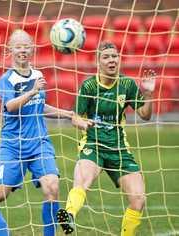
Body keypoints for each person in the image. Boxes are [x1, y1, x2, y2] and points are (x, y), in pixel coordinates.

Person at [0, 29, 93, 236]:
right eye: (18, 46)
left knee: (52, 187)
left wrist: (68, 114)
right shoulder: (6, 80)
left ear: (32, 48)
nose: (22, 50)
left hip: (39, 143)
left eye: (26, 46)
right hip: (12, 146)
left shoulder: (38, 75)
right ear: (10, 50)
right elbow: (10, 106)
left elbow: (40, 106)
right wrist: (33, 90)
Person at [56, 41, 156, 236]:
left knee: (139, 199)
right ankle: (68, 215)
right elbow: (75, 116)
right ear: (98, 62)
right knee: (82, 181)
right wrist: (82, 123)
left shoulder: (127, 84)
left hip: (119, 148)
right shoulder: (89, 85)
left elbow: (145, 114)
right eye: (107, 57)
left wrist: (148, 94)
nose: (112, 60)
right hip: (94, 144)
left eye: (115, 56)